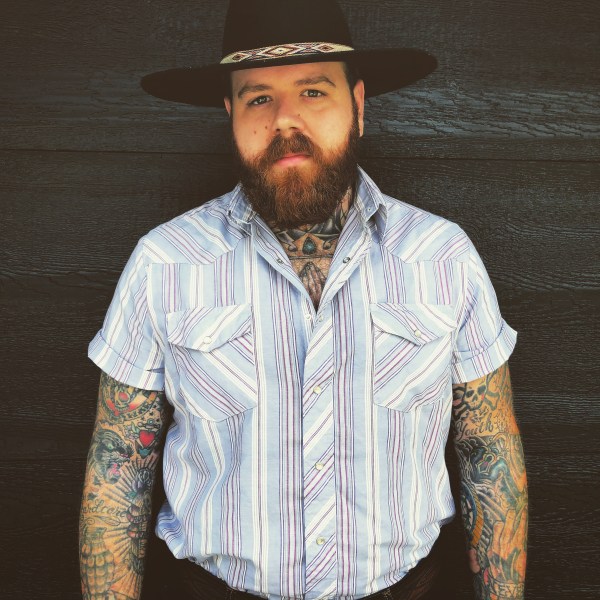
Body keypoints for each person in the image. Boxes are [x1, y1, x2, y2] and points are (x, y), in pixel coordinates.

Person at [79, 1, 528, 599]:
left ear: (358, 105)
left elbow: (487, 452)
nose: (285, 119)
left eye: (313, 91)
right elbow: (119, 473)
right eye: (259, 98)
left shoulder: (444, 258)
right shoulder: (164, 263)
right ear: (231, 114)